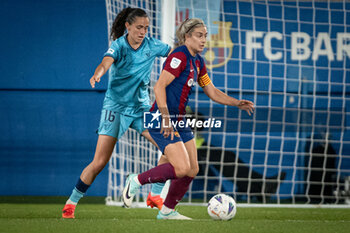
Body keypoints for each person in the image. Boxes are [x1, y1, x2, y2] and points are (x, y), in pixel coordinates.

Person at [122, 18, 254, 220]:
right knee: (181, 168)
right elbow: (159, 87)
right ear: (186, 37)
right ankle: (136, 180)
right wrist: (166, 119)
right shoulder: (179, 55)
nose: (204, 41)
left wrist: (236, 102)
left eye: (205, 36)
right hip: (161, 117)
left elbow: (211, 91)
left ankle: (166, 212)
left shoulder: (198, 61)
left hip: (179, 120)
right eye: (199, 36)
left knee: (192, 169)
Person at [61, 7, 171, 219]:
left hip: (141, 109)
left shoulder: (153, 45)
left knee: (170, 146)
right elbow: (105, 63)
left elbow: (176, 55)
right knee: (100, 162)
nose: (143, 32)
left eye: (146, 28)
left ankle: (155, 195)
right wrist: (97, 74)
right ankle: (71, 202)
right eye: (139, 27)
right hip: (116, 109)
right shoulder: (118, 46)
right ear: (128, 26)